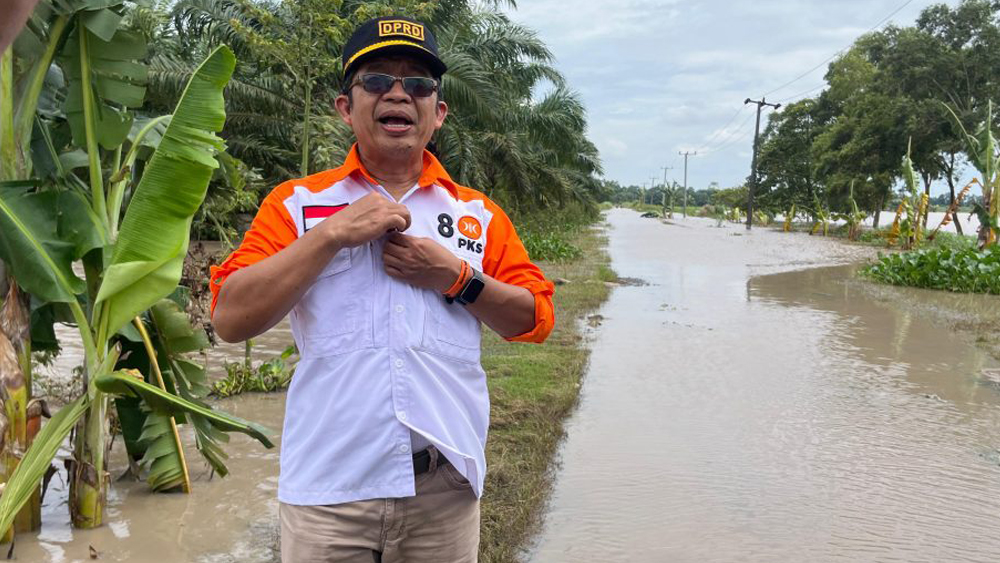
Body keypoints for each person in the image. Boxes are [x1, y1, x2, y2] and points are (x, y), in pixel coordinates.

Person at [209, 15, 555, 563]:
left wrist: (455, 278)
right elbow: (230, 318)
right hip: (329, 492)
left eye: (418, 84)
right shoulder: (296, 205)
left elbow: (534, 318)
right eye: (376, 80)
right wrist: (332, 235)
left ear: (437, 113)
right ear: (346, 107)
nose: (398, 92)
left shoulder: (476, 216)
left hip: (443, 492)